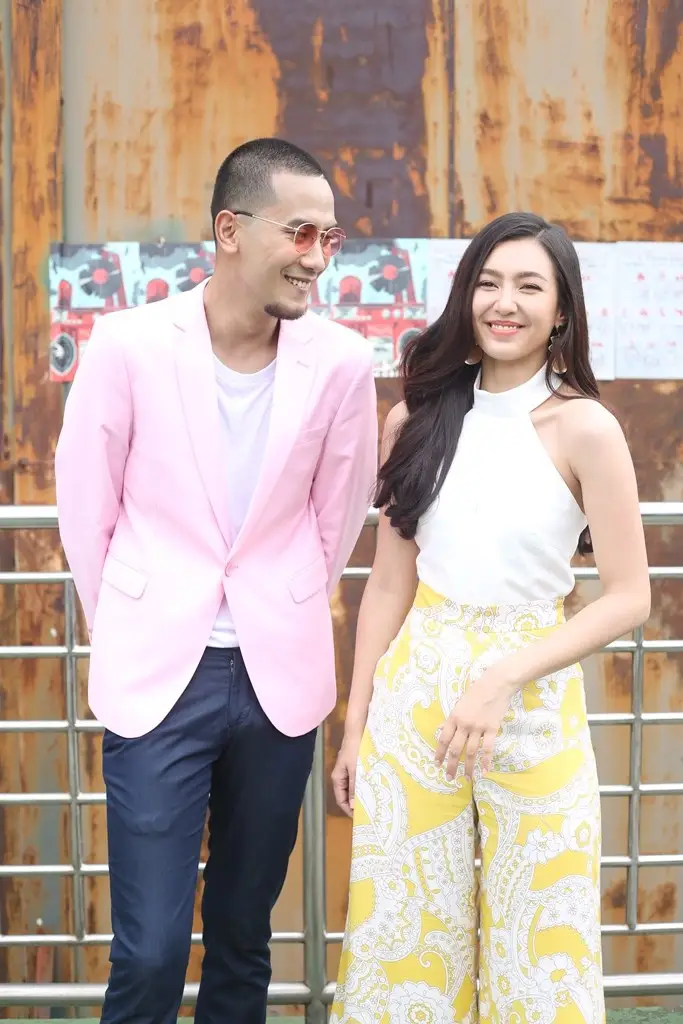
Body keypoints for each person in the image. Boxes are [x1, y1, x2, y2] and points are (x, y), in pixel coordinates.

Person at [54, 137, 378, 1024]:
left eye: (329, 238)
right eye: (300, 233)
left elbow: (338, 513)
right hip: (160, 673)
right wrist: (133, 622)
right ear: (230, 230)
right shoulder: (127, 345)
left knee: (241, 934)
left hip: (277, 678)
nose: (317, 258)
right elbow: (86, 507)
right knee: (151, 948)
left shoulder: (341, 363)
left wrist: (280, 600)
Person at [330, 212, 650, 1023]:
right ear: (466, 295)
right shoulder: (415, 419)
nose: (504, 303)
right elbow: (389, 586)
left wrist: (503, 677)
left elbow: (628, 594)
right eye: (488, 282)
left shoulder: (586, 427)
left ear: (561, 309)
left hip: (532, 702)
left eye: (528, 286)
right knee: (403, 939)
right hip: (415, 704)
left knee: (540, 945)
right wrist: (355, 725)